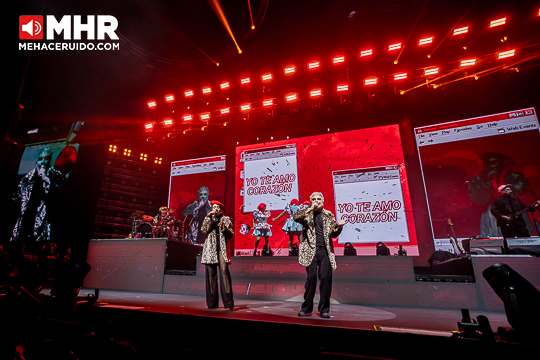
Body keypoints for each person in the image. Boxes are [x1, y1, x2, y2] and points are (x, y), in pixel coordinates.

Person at [293, 192, 345, 319]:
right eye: (314, 199)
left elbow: (332, 234)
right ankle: (306, 309)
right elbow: (295, 217)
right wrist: (310, 208)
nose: (317, 201)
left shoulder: (328, 215)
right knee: (311, 277)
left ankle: (324, 310)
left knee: (325, 279)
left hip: (324, 251)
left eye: (319, 199)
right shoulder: (307, 214)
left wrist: (338, 227)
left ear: (323, 200)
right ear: (311, 201)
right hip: (310, 250)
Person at [11, 146, 65, 246]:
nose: (43, 162)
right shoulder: (27, 178)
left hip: (42, 224)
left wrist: (45, 178)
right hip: (24, 222)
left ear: (50, 160)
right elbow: (16, 198)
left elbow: (60, 196)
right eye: (40, 159)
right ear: (36, 160)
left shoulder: (56, 175)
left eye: (46, 158)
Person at [200, 200, 234, 310]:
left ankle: (228, 302)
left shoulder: (226, 219)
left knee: (224, 271)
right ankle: (211, 303)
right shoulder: (209, 218)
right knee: (211, 273)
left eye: (218, 207)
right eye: (214, 207)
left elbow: (230, 234)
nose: (216, 209)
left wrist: (224, 228)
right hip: (210, 249)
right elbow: (204, 230)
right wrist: (209, 218)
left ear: (222, 210)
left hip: (222, 249)